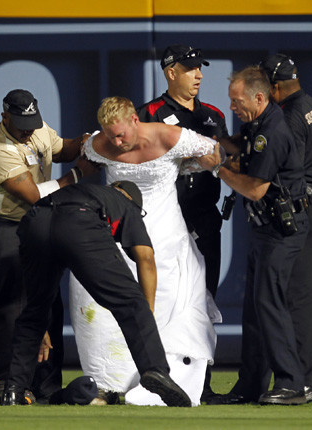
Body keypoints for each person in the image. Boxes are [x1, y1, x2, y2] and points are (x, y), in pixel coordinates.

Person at [69, 96, 220, 406]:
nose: (117, 141)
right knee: (106, 305)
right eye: (110, 135)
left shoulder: (169, 136)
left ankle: (166, 380)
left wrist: (195, 164)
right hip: (120, 232)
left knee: (171, 302)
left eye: (121, 134)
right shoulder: (99, 144)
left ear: (135, 121)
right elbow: (82, 159)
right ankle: (111, 385)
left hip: (167, 234)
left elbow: (213, 154)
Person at [1, 181, 191, 408]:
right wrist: (144, 312)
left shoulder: (87, 189)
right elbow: (146, 257)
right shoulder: (125, 203)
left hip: (34, 221)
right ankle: (155, 370)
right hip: (80, 220)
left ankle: (13, 390)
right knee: (131, 302)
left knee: (34, 312)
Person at [0, 89, 94, 404]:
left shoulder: (37, 128)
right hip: (4, 227)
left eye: (32, 121)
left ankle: (46, 383)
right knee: (10, 305)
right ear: (4, 117)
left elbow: (62, 149)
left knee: (48, 302)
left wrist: (87, 142)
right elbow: (33, 195)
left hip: (37, 225)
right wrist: (79, 173)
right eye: (21, 123)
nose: (29, 129)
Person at [198, 66, 309, 405]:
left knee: (269, 304)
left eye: (236, 101)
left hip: (281, 230)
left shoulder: (272, 132)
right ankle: (251, 384)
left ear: (259, 98)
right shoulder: (257, 124)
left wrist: (216, 168)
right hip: (264, 229)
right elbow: (237, 146)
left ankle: (291, 383)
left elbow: (256, 188)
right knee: (254, 308)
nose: (232, 108)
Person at [136, 44, 229, 401]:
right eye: (190, 68)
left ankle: (201, 385)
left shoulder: (214, 114)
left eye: (199, 68)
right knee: (165, 300)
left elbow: (221, 157)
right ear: (170, 71)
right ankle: (159, 379)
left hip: (205, 217)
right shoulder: (150, 113)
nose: (199, 75)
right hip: (166, 220)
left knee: (205, 301)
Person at [260, 53, 312, 403]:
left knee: (299, 299)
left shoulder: (287, 116)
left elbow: (282, 161)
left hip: (304, 203)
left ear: (274, 87)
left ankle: (301, 383)